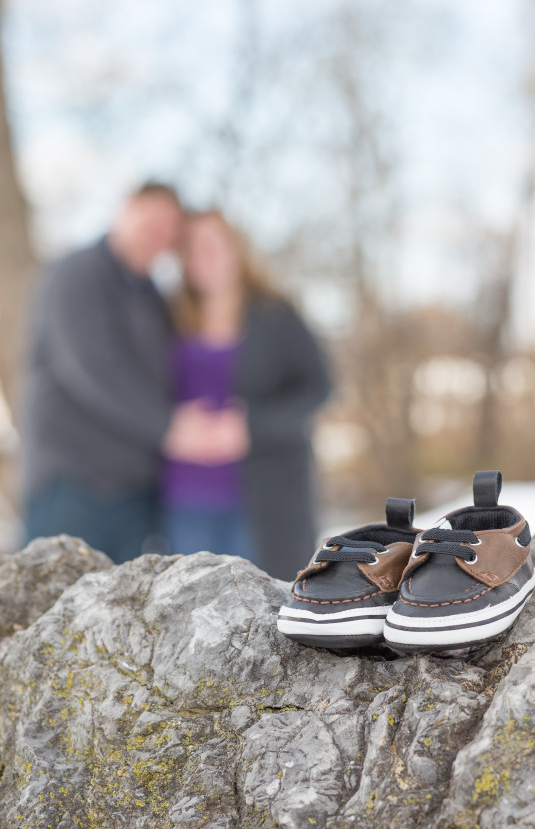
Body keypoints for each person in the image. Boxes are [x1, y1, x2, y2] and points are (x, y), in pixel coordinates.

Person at [23, 183, 219, 563]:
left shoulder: (153, 298)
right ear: (126, 210)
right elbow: (94, 367)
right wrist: (170, 428)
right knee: (55, 612)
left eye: (167, 230)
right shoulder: (77, 274)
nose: (156, 235)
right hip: (74, 485)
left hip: (135, 491)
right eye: (151, 220)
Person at [160, 209, 332, 580]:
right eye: (190, 248)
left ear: (236, 248)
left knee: (266, 614)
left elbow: (319, 387)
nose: (202, 256)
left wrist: (249, 427)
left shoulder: (276, 315)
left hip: (265, 500)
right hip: (185, 498)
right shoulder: (169, 317)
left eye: (213, 244)